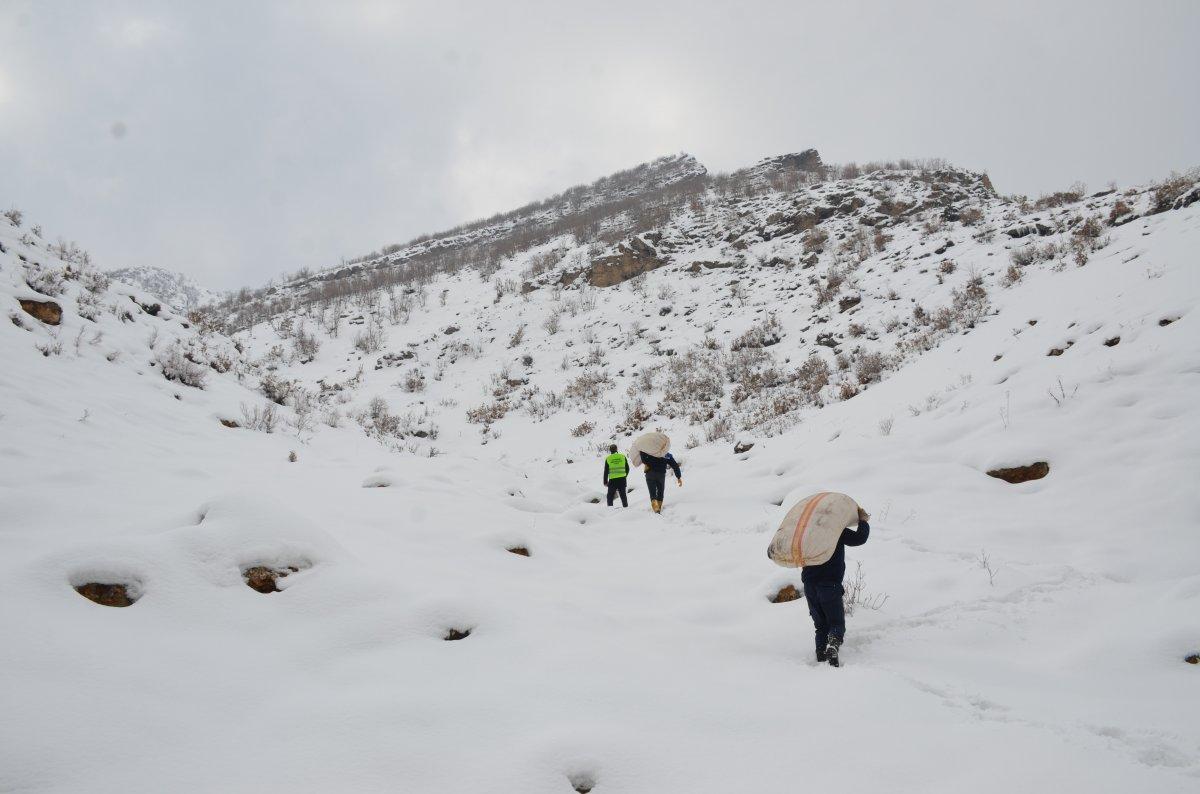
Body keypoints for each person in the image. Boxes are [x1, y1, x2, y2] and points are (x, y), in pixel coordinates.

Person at [802, 507, 870, 667]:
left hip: (809, 586)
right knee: (836, 623)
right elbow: (859, 538)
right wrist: (863, 521)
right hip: (829, 585)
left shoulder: (806, 534)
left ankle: (820, 654)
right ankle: (832, 645)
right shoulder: (836, 531)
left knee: (820, 625)